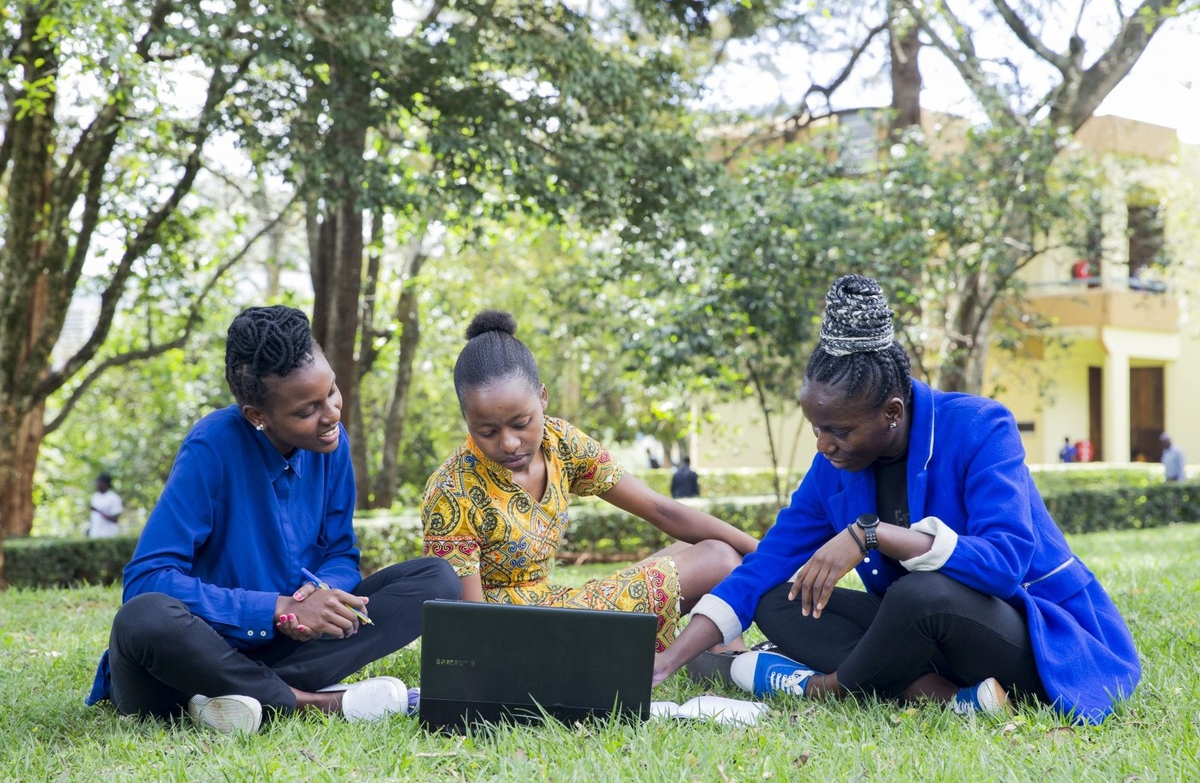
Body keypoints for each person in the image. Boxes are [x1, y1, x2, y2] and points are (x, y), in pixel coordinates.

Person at [653, 275, 1141, 725]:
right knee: (778, 598)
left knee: (920, 591)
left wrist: (871, 534)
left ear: (892, 412)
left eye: (839, 431)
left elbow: (1005, 563)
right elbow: (764, 566)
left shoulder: (980, 427)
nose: (823, 445)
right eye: (817, 429)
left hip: (1033, 639)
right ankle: (937, 694)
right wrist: (669, 660)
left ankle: (829, 689)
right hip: (920, 637)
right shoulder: (833, 468)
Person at [86, 305, 460, 734]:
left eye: (332, 392)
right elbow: (145, 579)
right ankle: (313, 703)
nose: (332, 414)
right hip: (191, 660)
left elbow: (340, 553)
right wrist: (277, 609)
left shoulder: (333, 447)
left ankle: (238, 699)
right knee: (143, 618)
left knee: (435, 581)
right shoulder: (211, 447)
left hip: (285, 651)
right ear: (257, 416)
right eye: (307, 410)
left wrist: (317, 598)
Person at [421, 310, 760, 652]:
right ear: (467, 421)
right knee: (718, 558)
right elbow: (470, 624)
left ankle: (721, 654)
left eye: (521, 423)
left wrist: (768, 556)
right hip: (517, 638)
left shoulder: (561, 442)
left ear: (543, 398)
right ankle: (716, 657)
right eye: (488, 431)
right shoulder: (452, 490)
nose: (509, 442)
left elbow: (661, 510)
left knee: (713, 547)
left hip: (559, 605)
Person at [88, 472, 124, 538]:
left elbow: (115, 519)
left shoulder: (114, 498)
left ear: (106, 483)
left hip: (108, 535)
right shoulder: (95, 497)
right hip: (94, 535)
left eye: (99, 482)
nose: (97, 485)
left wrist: (98, 511)